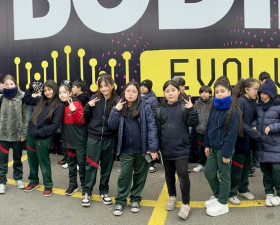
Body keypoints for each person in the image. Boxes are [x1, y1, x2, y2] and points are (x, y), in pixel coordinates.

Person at [109, 81, 158, 216]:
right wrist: (115, 110)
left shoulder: (145, 107)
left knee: (140, 176)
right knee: (124, 176)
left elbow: (152, 127)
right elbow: (111, 126)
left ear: (138, 94)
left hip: (142, 150)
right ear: (124, 92)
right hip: (125, 150)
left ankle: (135, 198)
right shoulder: (119, 105)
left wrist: (153, 148)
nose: (130, 94)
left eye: (134, 91)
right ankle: (120, 201)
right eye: (128, 91)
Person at [156, 80, 198, 219]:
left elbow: (194, 123)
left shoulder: (185, 106)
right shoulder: (160, 109)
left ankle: (186, 204)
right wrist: (157, 147)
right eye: (167, 91)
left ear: (179, 91)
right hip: (166, 148)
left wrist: (191, 109)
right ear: (164, 93)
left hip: (181, 148)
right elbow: (157, 130)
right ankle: (172, 197)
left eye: (173, 90)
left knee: (183, 175)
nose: (170, 93)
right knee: (168, 174)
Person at [203, 79, 241, 217]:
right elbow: (209, 126)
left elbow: (232, 134)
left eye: (222, 91)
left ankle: (223, 203)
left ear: (229, 92)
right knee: (209, 173)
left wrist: (226, 153)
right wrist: (206, 144)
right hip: (213, 147)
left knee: (224, 176)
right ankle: (219, 196)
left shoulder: (233, 110)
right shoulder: (214, 106)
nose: (219, 94)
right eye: (217, 92)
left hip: (224, 149)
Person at [0, 75, 29, 193]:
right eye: (7, 84)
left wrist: (23, 133)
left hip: (17, 135)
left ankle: (18, 178)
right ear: (3, 85)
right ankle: (2, 182)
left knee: (17, 159)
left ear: (16, 85)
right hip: (3, 135)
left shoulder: (22, 98)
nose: (9, 86)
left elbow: (26, 117)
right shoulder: (1, 97)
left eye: (12, 84)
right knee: (2, 160)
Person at [82, 74, 118, 206]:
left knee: (107, 167)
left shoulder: (117, 101)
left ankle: (104, 191)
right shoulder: (94, 98)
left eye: (106, 86)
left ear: (112, 86)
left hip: (109, 139)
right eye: (101, 86)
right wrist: (87, 106)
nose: (104, 89)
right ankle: (87, 192)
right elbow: (84, 119)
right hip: (93, 138)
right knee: (91, 166)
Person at [254, 78, 280, 207]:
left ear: (271, 93)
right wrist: (254, 125)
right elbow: (255, 119)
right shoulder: (258, 107)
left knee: (277, 170)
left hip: (274, 144)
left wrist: (273, 127)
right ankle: (269, 192)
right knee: (265, 170)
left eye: (265, 93)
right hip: (261, 144)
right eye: (260, 93)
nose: (262, 95)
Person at [24, 80, 63, 196]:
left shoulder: (59, 105)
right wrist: (30, 88)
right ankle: (33, 181)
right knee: (32, 160)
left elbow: (54, 126)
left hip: (43, 138)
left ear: (54, 89)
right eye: (45, 90)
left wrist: (39, 132)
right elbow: (25, 99)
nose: (47, 92)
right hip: (31, 136)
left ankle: (48, 185)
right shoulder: (41, 100)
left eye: (49, 89)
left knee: (44, 162)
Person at [226, 78, 260, 205]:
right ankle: (231, 192)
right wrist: (255, 133)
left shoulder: (252, 102)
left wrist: (254, 125)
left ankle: (243, 189)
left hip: (248, 141)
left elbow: (254, 118)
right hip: (239, 141)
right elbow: (240, 123)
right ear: (246, 89)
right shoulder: (240, 101)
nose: (257, 91)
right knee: (237, 168)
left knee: (246, 167)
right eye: (255, 89)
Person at [57, 83, 87, 196]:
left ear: (70, 93)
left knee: (82, 166)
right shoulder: (60, 106)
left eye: (64, 92)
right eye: (60, 93)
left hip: (79, 142)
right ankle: (73, 185)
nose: (62, 95)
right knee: (71, 165)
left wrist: (74, 110)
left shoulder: (76, 103)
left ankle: (85, 187)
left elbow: (81, 121)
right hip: (68, 143)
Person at [192, 86, 213, 173]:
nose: (204, 94)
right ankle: (201, 164)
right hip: (199, 130)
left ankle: (211, 165)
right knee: (200, 148)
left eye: (206, 92)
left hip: (211, 131)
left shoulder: (214, 102)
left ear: (210, 94)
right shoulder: (197, 103)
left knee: (211, 149)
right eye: (202, 92)